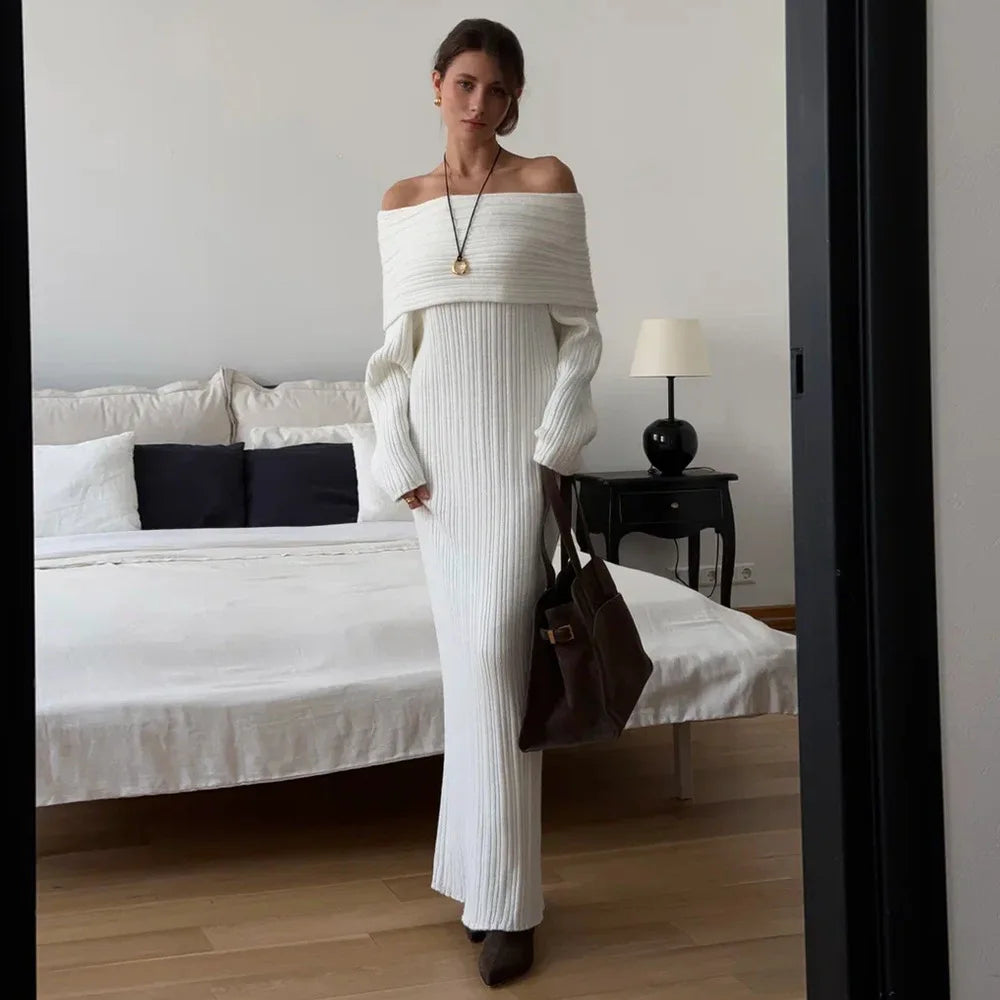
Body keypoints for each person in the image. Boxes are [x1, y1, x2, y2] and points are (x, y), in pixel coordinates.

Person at [365, 17, 602, 988]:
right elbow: (391, 356)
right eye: (465, 82)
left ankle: (508, 906)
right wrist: (400, 448)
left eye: (499, 89)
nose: (480, 103)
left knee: (502, 671)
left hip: (513, 463)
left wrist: (553, 448)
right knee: (470, 676)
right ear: (434, 86)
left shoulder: (546, 184)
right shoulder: (401, 203)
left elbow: (580, 334)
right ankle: (477, 880)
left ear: (513, 101)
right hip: (439, 475)